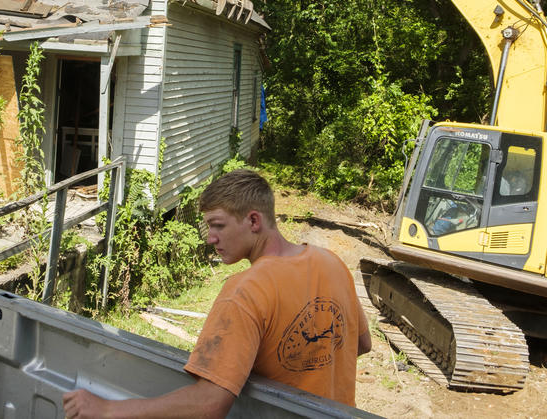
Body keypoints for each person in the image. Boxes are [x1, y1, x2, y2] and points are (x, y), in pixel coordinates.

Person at [62, 169, 371, 419]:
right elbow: (361, 343)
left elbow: (209, 404)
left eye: (218, 225)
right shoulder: (331, 263)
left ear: (253, 221)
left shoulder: (246, 290)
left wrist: (106, 409)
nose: (210, 238)